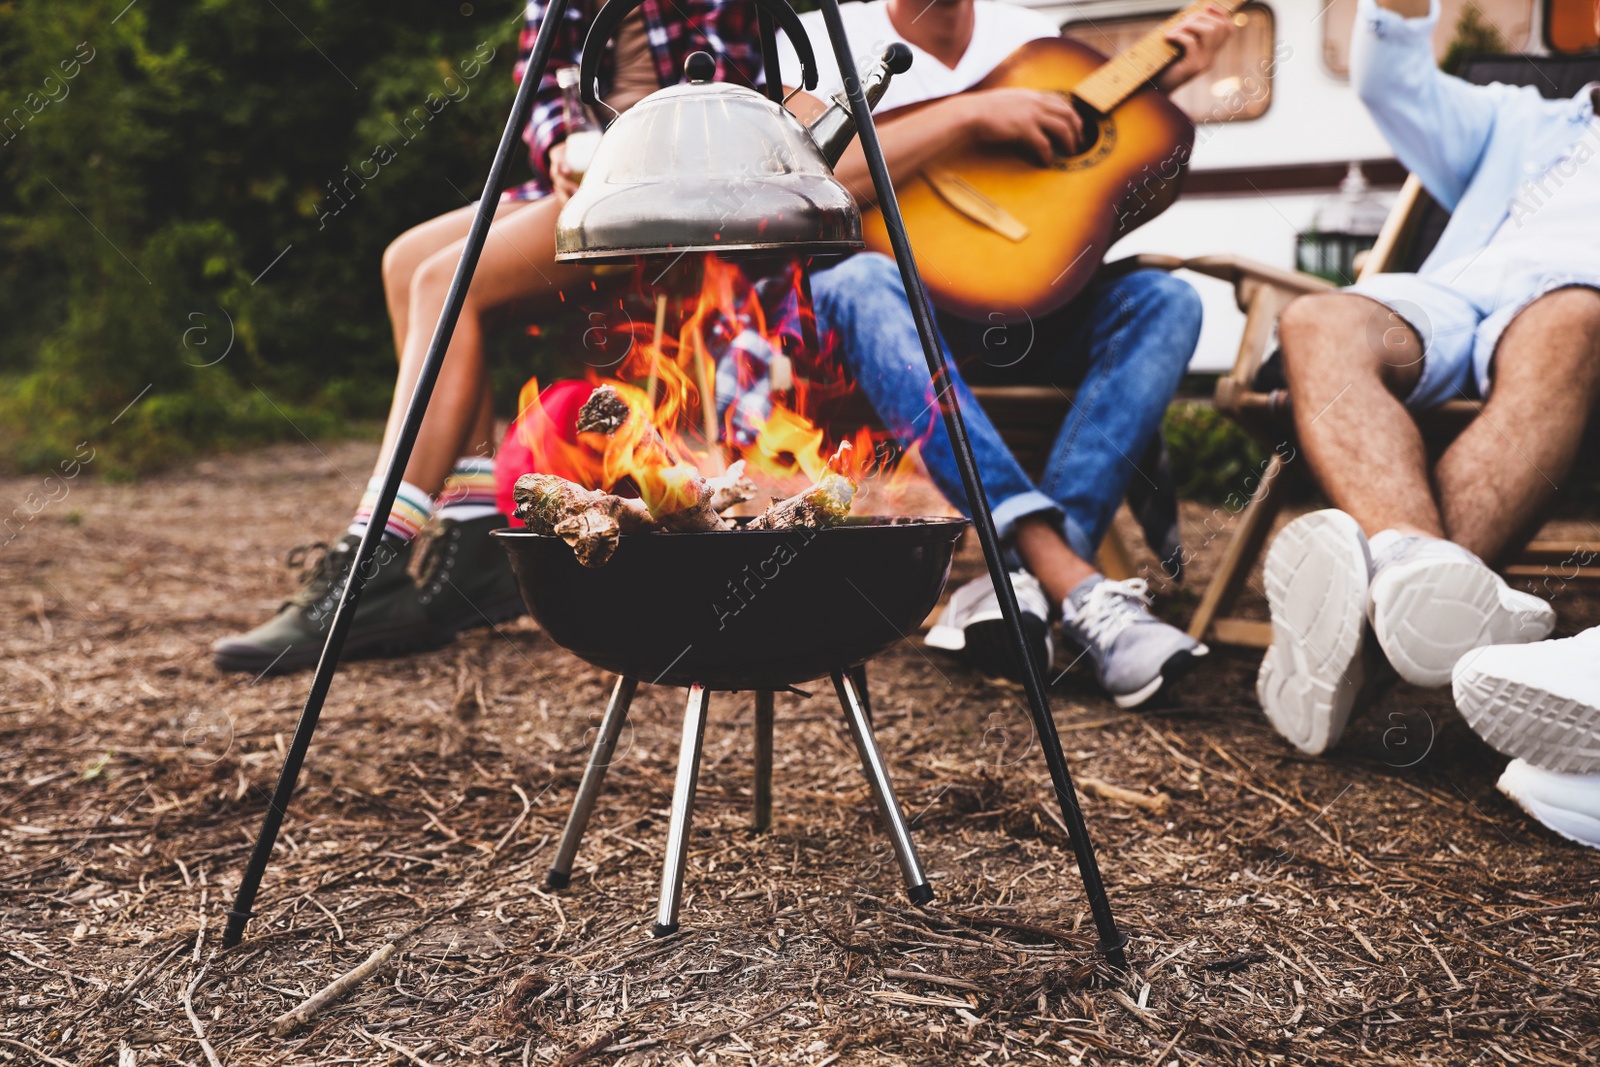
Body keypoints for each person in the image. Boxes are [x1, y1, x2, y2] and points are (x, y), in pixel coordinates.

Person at [212, 0, 764, 674]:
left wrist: (618, 152)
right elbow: (542, 84)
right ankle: (475, 541)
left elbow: (731, 92)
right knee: (405, 262)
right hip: (572, 184)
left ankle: (372, 558)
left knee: (449, 281)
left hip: (667, 193)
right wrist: (562, 144)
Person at [774, 0, 1233, 706]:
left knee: (1167, 301)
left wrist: (1160, 87)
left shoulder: (1031, 39)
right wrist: (973, 116)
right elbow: (814, 174)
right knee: (860, 277)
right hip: (879, 331)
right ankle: (1071, 582)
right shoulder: (818, 40)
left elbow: (1073, 182)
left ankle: (1015, 584)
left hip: (1018, 316)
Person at [1257, 0, 1600, 837]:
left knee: (1570, 320)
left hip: (1574, 303)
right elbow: (1389, 77)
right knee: (1316, 320)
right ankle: (1412, 562)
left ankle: (1359, 647)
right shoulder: (1526, 118)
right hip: (1456, 296)